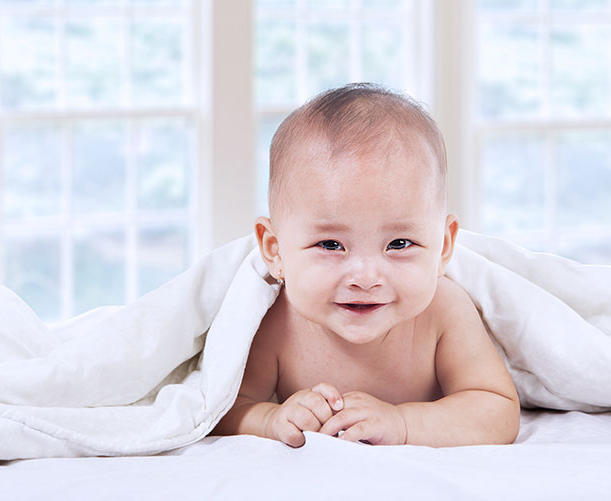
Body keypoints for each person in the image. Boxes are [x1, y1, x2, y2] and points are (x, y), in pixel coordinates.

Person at [211, 83, 520, 447]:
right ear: (274, 249)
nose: (365, 277)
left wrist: (402, 423)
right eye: (330, 244)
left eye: (399, 244)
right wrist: (271, 419)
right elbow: (222, 407)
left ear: (443, 247)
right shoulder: (276, 321)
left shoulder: (444, 310)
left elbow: (497, 409)